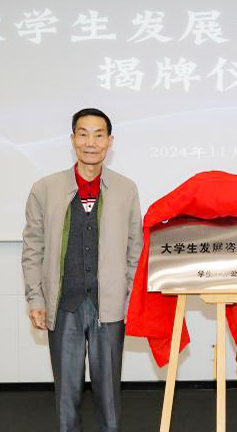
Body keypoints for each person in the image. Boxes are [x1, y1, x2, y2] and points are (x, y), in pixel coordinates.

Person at [21, 108, 142, 432]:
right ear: (73, 139)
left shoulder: (126, 189)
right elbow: (32, 248)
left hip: (109, 307)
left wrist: (130, 298)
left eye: (99, 135)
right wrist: (35, 298)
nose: (91, 142)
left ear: (110, 141)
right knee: (67, 394)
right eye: (83, 134)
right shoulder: (45, 188)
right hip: (64, 306)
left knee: (109, 395)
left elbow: (135, 249)